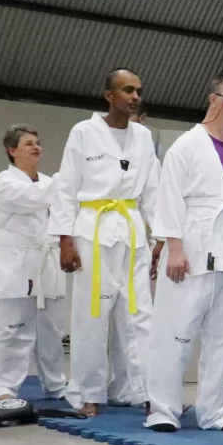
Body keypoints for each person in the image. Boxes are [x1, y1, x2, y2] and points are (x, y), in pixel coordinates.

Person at [144, 74, 223, 433]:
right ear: (213, 99)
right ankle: (163, 410)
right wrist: (174, 248)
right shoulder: (186, 146)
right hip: (190, 252)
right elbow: (168, 198)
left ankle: (214, 413)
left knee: (221, 339)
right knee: (175, 335)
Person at [49, 68, 161, 417]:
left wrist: (160, 239)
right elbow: (66, 188)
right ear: (109, 96)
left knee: (140, 314)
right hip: (92, 232)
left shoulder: (143, 137)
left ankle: (146, 393)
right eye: (127, 90)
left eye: (138, 90)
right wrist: (65, 240)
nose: (135, 97)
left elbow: (154, 191)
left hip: (132, 231)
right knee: (91, 315)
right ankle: (88, 393)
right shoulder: (84, 132)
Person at [0, 125, 68, 401]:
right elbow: (34, 199)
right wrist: (69, 175)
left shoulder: (48, 181)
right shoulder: (5, 181)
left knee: (51, 330)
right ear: (12, 150)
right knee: (13, 329)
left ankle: (56, 384)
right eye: (29, 143)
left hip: (46, 259)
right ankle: (5, 388)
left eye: (38, 142)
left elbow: (63, 213)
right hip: (14, 262)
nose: (36, 147)